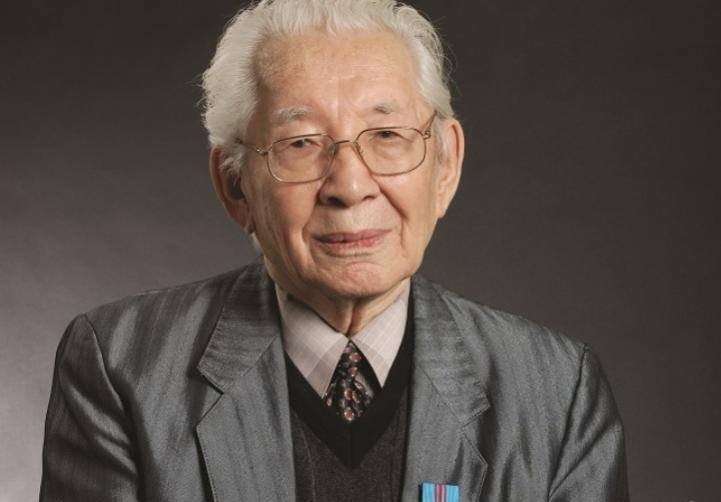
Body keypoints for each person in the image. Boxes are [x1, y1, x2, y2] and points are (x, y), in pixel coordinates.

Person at [40, 1, 629, 500]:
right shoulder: (123, 366)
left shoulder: (556, 391)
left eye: (388, 135)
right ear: (236, 186)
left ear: (445, 166)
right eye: (300, 143)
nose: (350, 185)